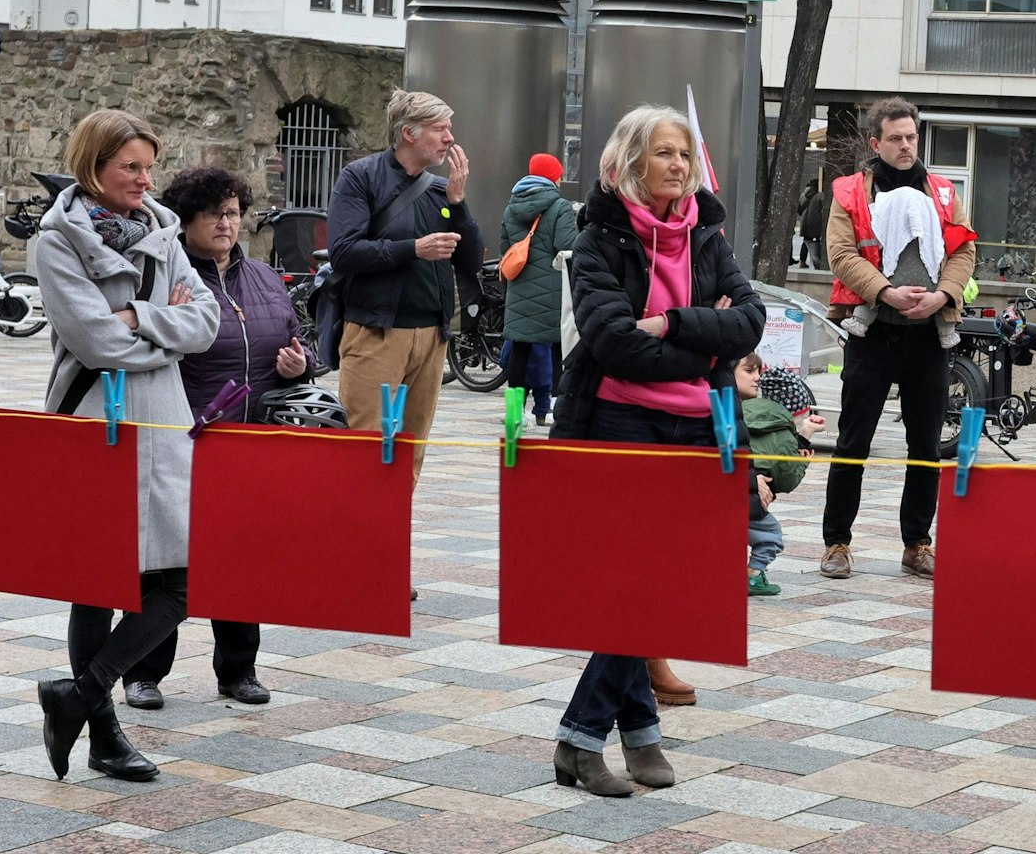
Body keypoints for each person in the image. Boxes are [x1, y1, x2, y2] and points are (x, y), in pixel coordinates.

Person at [547, 104, 765, 795]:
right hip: (620, 424)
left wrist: (671, 322)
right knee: (635, 584)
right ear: (631, 162)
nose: (680, 165)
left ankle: (626, 733)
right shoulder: (598, 239)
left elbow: (753, 319)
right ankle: (589, 738)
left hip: (698, 425)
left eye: (684, 154)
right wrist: (707, 344)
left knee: (665, 584)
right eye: (666, 153)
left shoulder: (707, 232)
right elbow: (610, 340)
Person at [31, 109, 220, 783]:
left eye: (148, 166)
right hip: (94, 419)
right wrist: (157, 329)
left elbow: (206, 321)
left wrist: (140, 315)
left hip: (164, 421)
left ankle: (77, 695)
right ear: (94, 167)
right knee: (97, 581)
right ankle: (105, 731)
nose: (144, 180)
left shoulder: (165, 232)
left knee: (179, 582)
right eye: (129, 167)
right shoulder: (57, 241)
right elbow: (93, 342)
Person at [123, 167, 309, 712]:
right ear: (186, 224)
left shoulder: (265, 278)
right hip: (185, 437)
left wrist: (299, 366)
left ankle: (238, 670)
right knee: (166, 562)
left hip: (250, 442)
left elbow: (297, 341)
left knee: (240, 557)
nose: (228, 224)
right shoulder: (170, 280)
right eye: (215, 215)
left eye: (234, 213)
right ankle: (143, 671)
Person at [819, 97, 978, 580]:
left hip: (929, 336)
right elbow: (842, 255)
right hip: (872, 334)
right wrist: (885, 292)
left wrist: (943, 295)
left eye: (911, 137)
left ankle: (917, 544)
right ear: (876, 143)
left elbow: (965, 251)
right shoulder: (850, 192)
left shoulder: (944, 192)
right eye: (895, 138)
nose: (906, 145)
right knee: (853, 442)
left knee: (926, 446)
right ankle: (836, 544)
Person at [326, 89, 484, 484]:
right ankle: (359, 537)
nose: (450, 138)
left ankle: (392, 538)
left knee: (411, 452)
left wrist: (459, 203)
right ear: (409, 133)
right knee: (366, 448)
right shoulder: (360, 177)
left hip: (432, 337)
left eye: (449, 128)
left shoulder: (438, 190)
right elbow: (344, 252)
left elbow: (473, 261)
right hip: (377, 333)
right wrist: (413, 249)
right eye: (440, 129)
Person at [501, 152, 578, 427]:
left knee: (519, 351)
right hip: (554, 288)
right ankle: (556, 408)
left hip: (519, 288)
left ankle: (514, 412)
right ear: (554, 176)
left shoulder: (511, 206)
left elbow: (504, 249)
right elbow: (566, 245)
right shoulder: (560, 207)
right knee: (558, 348)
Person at [737, 354, 820, 597]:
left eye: (758, 373)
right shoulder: (781, 431)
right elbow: (787, 479)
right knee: (771, 536)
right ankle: (753, 575)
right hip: (751, 503)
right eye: (750, 372)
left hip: (728, 497)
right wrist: (802, 457)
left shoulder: (737, 412)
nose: (757, 379)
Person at [797, 180, 829, 270]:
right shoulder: (820, 195)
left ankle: (802, 261)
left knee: (806, 241)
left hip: (805, 221)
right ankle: (816, 260)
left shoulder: (803, 195)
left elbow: (799, 208)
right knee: (817, 241)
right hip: (815, 222)